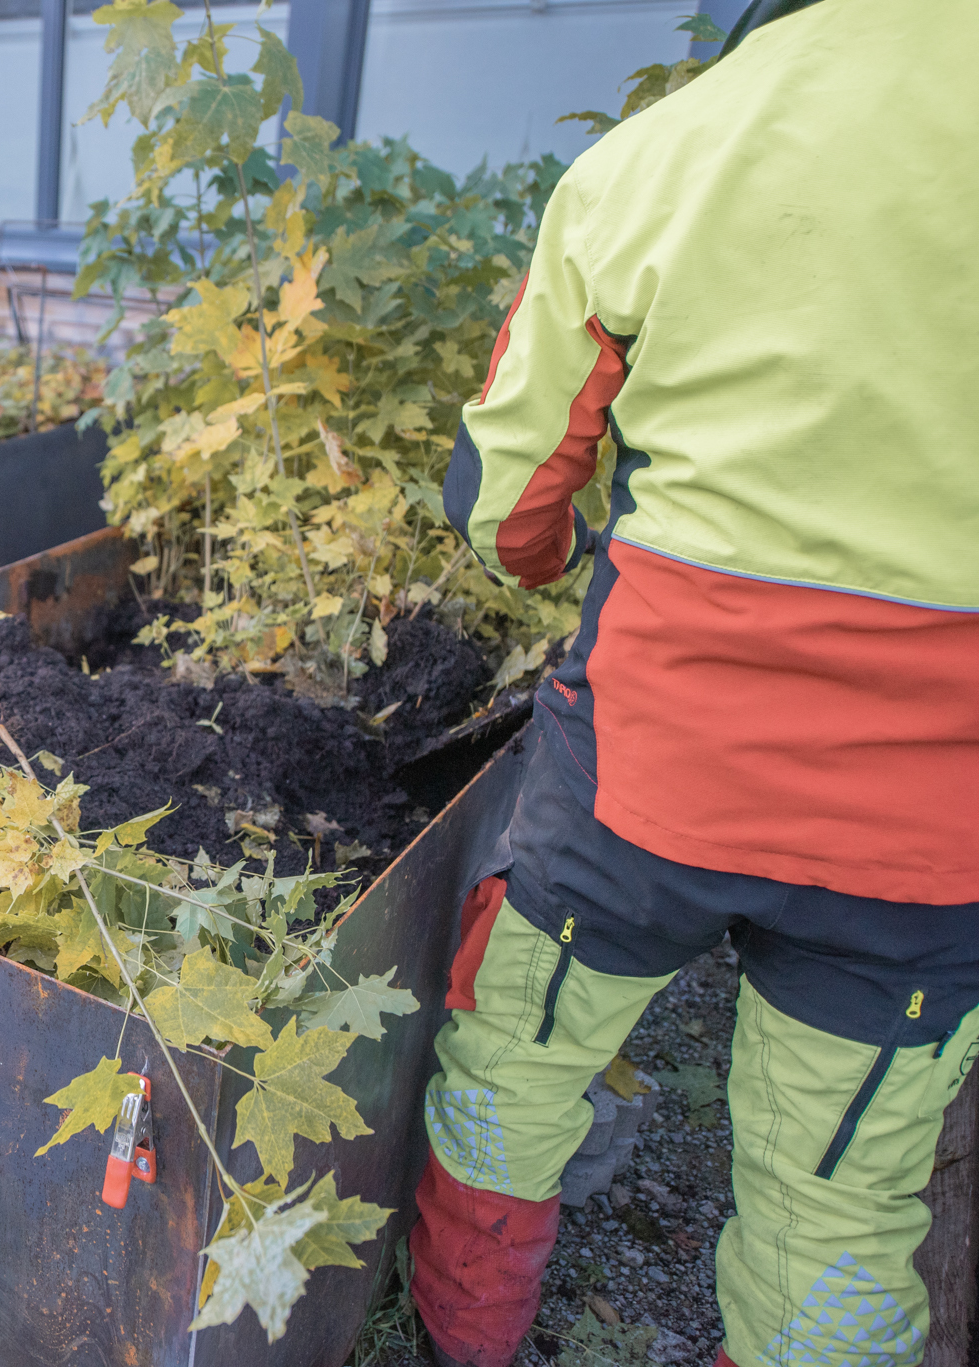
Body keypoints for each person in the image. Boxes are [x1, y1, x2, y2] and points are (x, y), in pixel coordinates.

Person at [415, 1, 978, 1363]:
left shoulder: (669, 150)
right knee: (842, 1201)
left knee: (518, 1070)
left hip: (657, 769)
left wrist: (549, 551)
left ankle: (462, 1343)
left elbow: (505, 510)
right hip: (932, 826)